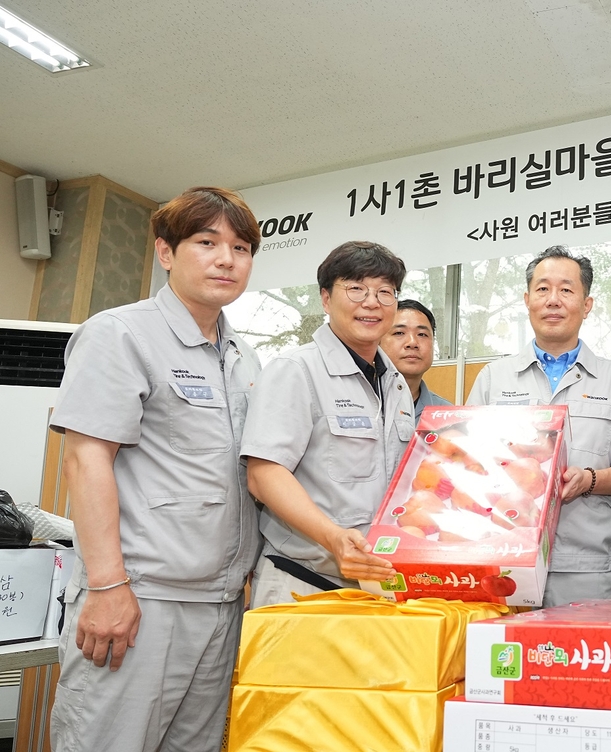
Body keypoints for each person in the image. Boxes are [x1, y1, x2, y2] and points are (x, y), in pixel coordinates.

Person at [49, 187, 263, 752]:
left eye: (241, 248)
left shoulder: (244, 356)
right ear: (165, 253)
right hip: (141, 597)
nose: (226, 259)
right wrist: (108, 586)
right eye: (206, 242)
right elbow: (85, 457)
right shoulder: (120, 333)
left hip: (220, 605)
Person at [467, 245, 611, 606]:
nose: (553, 300)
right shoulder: (494, 377)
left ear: (586, 305)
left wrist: (591, 480)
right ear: (527, 300)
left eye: (566, 290)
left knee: (579, 658)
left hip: (584, 566)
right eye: (542, 289)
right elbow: (468, 462)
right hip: (503, 559)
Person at [240, 241, 414, 607]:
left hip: (376, 590)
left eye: (385, 292)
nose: (372, 302)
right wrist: (333, 537)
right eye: (356, 288)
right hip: (303, 584)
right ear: (325, 298)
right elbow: (264, 474)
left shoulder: (395, 381)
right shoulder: (296, 369)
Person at [381, 298, 451, 421]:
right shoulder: (360, 403)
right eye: (399, 333)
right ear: (377, 342)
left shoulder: (446, 414)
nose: (412, 343)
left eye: (422, 334)